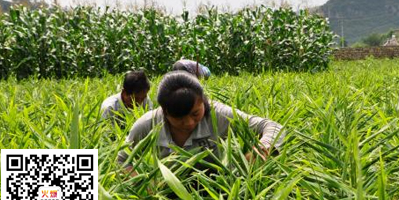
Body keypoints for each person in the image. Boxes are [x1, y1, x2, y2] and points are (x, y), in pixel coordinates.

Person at [117, 71, 284, 166]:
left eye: (195, 114)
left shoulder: (218, 114)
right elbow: (121, 159)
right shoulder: (149, 124)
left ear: (203, 101)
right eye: (180, 119)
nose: (189, 123)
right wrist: (144, 189)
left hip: (220, 191)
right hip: (168, 196)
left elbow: (273, 126)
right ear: (165, 112)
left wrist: (262, 148)